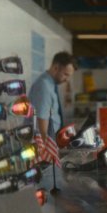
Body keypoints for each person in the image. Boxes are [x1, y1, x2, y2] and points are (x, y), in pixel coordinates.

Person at [29, 51, 76, 191]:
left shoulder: (50, 85)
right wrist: (47, 156)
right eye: (66, 74)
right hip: (43, 153)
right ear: (56, 67)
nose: (67, 79)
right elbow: (41, 125)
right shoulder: (43, 86)